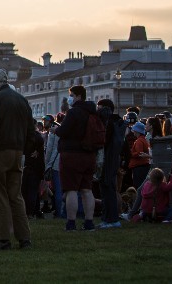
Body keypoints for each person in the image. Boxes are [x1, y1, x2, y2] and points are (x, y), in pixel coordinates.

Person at [0, 69, 35, 250]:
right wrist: (23, 149)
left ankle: (3, 239)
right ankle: (24, 238)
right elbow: (31, 131)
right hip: (17, 152)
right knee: (16, 196)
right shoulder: (21, 99)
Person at [54, 85, 100, 232]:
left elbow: (63, 130)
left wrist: (57, 129)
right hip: (90, 154)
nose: (70, 98)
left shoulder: (74, 113)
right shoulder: (93, 112)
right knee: (87, 189)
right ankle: (89, 222)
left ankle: (71, 222)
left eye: (72, 95)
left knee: (71, 190)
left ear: (78, 96)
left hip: (72, 155)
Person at [97, 99, 125, 228]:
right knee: (111, 187)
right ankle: (112, 218)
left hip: (107, 158)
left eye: (99, 107)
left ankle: (110, 218)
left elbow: (104, 140)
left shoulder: (109, 124)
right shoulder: (119, 122)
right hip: (114, 158)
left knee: (106, 188)